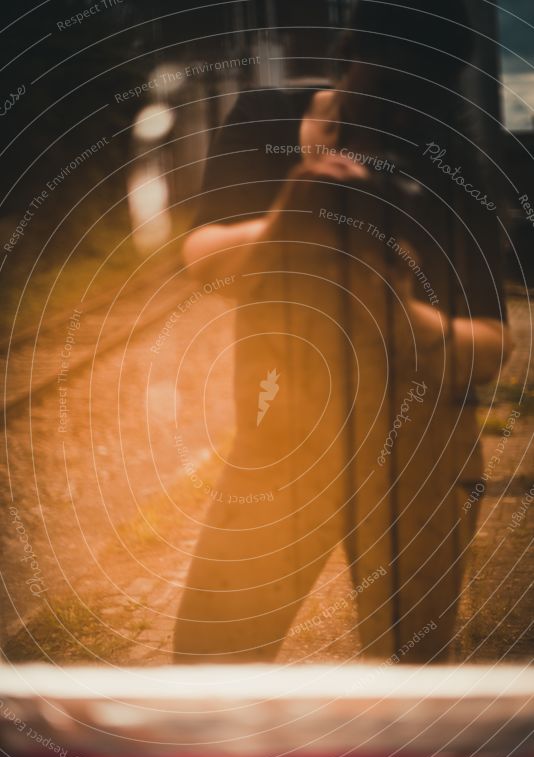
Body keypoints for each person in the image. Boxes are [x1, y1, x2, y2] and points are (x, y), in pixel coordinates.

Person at [173, 0, 511, 664]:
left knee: (415, 683)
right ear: (347, 57)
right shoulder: (266, 117)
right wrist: (289, 217)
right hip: (285, 436)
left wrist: (399, 314)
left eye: (424, 100)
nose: (402, 121)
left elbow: (494, 346)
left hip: (421, 444)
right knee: (210, 666)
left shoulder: (454, 166)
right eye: (391, 91)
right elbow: (201, 258)